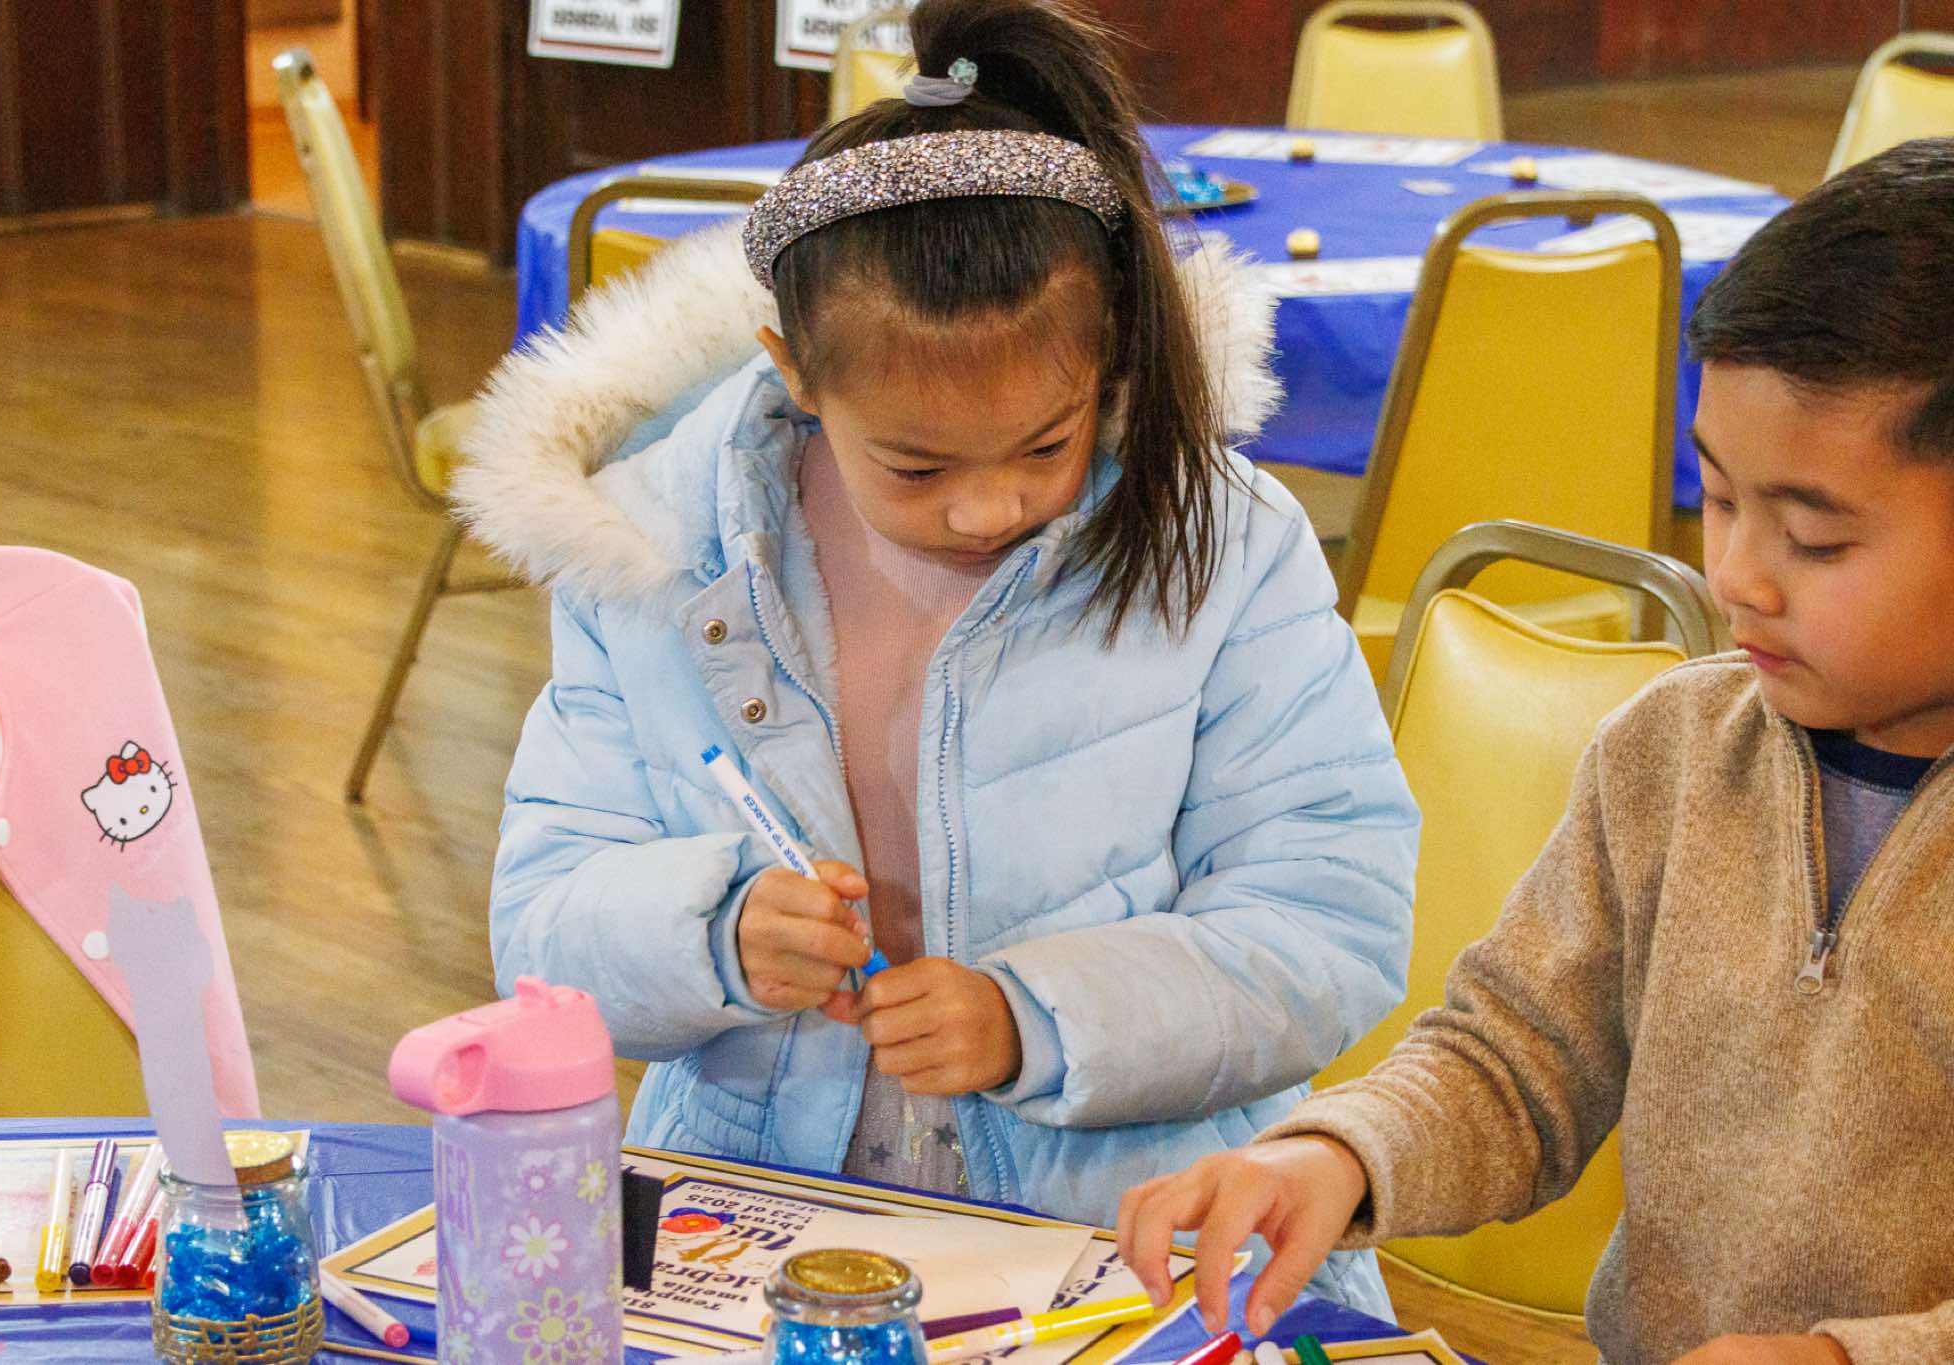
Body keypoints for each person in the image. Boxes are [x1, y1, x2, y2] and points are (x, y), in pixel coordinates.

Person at [456, 0, 1419, 1317]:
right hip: (756, 1236)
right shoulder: (651, 554)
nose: (986, 509)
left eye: (1045, 444)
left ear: (1108, 358)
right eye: (915, 466)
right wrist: (714, 934)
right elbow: (540, 924)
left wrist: (1034, 1019)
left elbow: (1331, 920)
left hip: (1135, 1237)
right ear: (794, 371)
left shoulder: (1221, 544)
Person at [1116, 137, 1954, 1365]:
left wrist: (1850, 1358)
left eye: (1813, 541)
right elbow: (1515, 1061)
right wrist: (1339, 1156)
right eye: (1719, 500)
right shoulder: (1671, 754)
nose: (1736, 576)